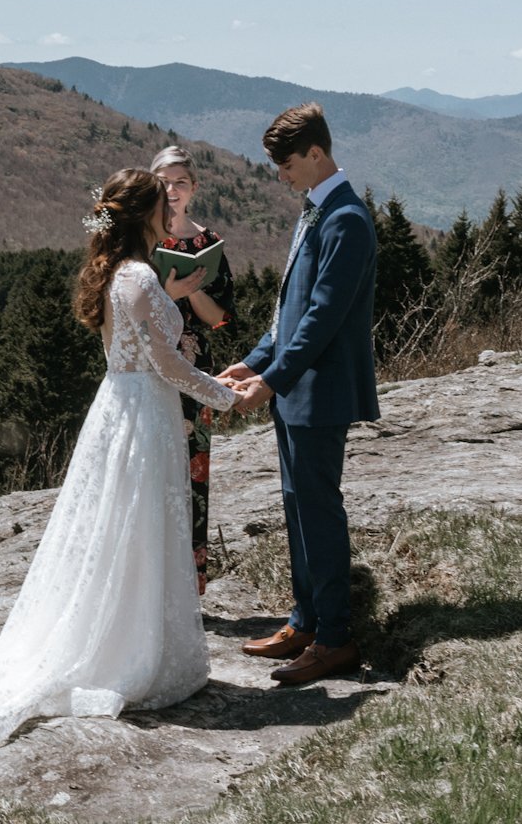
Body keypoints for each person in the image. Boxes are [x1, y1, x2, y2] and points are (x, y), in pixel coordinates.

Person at [0, 167, 240, 751]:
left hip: (127, 405)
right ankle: (129, 653)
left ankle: (132, 636)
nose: (172, 209)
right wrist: (226, 394)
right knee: (137, 526)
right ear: (146, 215)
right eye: (163, 202)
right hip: (142, 412)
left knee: (127, 526)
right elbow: (163, 364)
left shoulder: (120, 271)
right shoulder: (137, 275)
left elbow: (151, 350)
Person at [216, 101, 379, 689]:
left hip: (320, 391)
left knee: (319, 512)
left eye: (286, 164)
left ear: (316, 154)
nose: (281, 176)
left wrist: (272, 380)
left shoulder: (347, 220)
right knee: (296, 509)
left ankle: (335, 638)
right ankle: (304, 621)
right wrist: (255, 361)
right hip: (295, 388)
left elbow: (322, 320)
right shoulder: (316, 211)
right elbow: (290, 311)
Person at [149, 143, 233, 593]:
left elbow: (220, 318)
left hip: (194, 371)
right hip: (151, 369)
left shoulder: (209, 243)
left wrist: (193, 288)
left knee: (192, 471)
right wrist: (170, 292)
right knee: (153, 470)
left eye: (180, 181)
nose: (172, 189)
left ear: (194, 188)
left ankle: (189, 584)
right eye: (164, 181)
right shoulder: (142, 239)